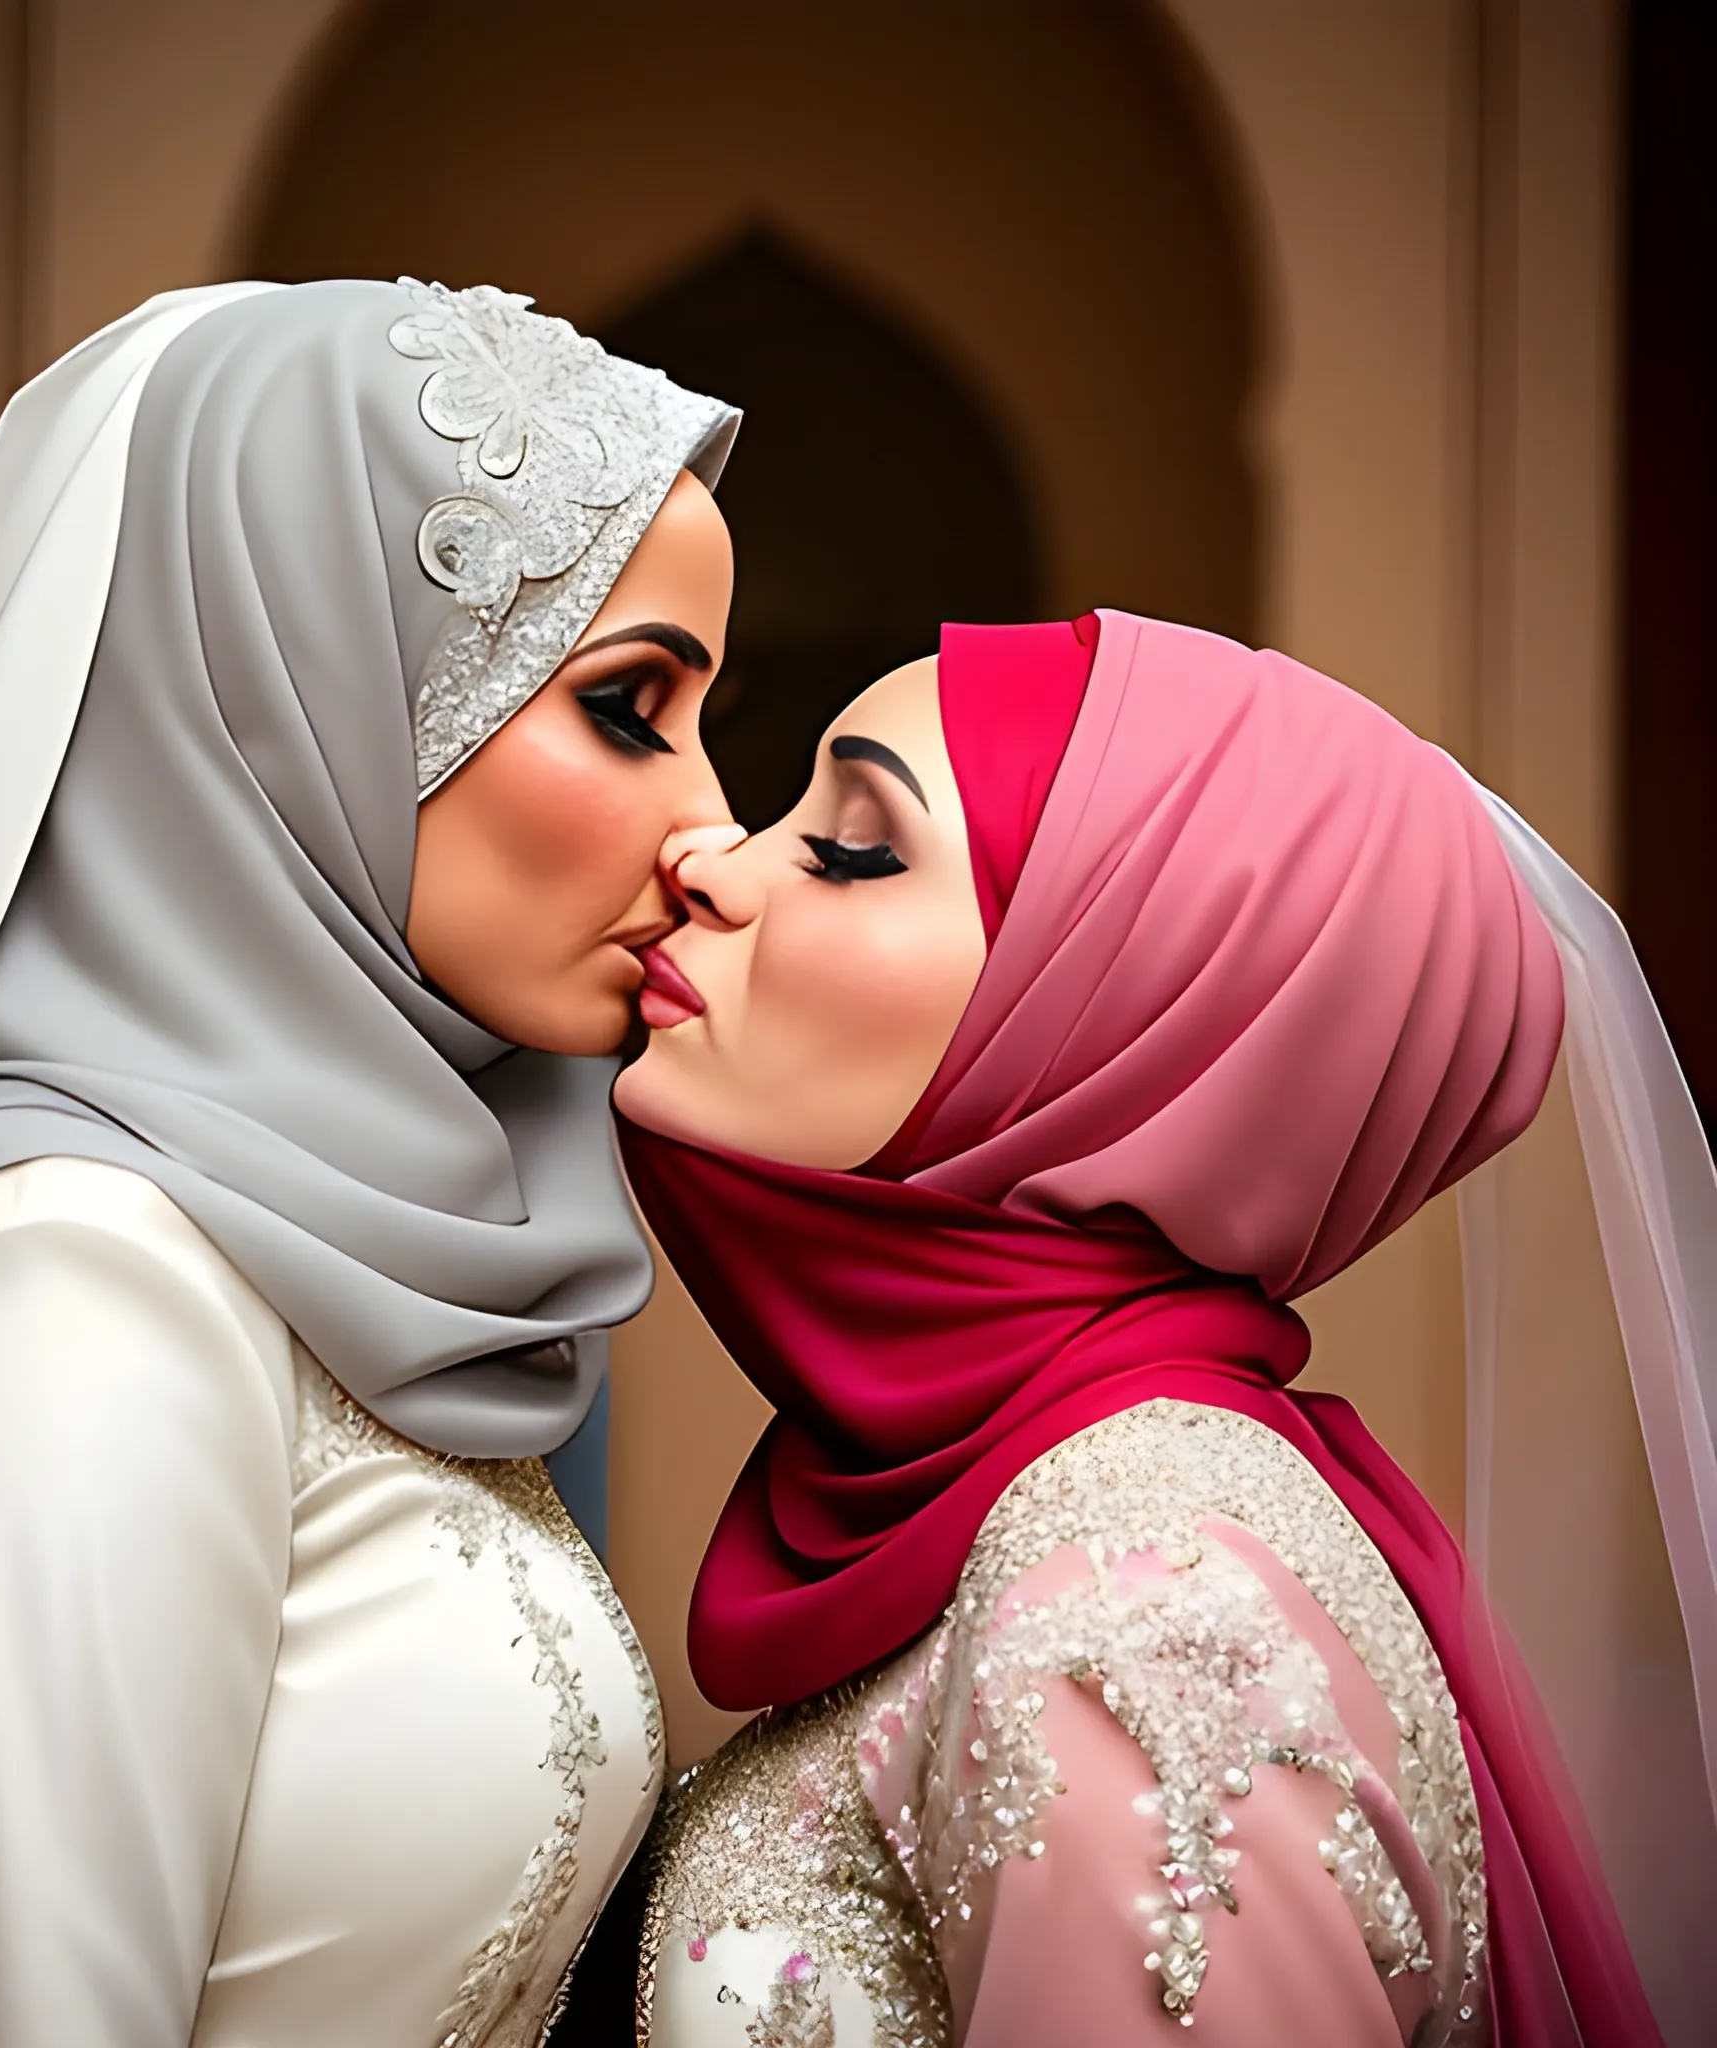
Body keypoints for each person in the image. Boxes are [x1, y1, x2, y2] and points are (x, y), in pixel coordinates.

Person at [0, 276, 745, 2045]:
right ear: (306, 681)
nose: (709, 828)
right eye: (631, 708)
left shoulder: (347, 1261)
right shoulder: (64, 1288)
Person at [614, 615, 1717, 2045]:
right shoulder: (1084, 1500)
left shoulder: (1138, 1616)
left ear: (1117, 1032)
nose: (706, 859)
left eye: (851, 845)